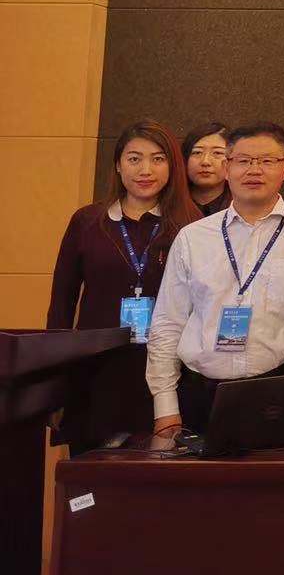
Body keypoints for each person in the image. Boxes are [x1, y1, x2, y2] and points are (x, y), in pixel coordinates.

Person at [147, 122, 284, 433]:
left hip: (280, 390)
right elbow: (167, 323)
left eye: (267, 161)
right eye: (243, 160)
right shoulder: (193, 237)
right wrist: (165, 407)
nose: (254, 170)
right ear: (227, 168)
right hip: (199, 394)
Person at [47, 121, 201, 449]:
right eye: (134, 159)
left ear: (172, 167)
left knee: (158, 472)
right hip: (96, 371)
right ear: (118, 165)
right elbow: (61, 303)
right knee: (91, 471)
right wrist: (55, 381)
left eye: (157, 159)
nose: (145, 170)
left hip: (167, 374)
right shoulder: (88, 221)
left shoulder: (192, 225)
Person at [181, 122, 231, 217]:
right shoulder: (167, 207)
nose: (205, 162)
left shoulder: (242, 207)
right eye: (197, 152)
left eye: (217, 153)